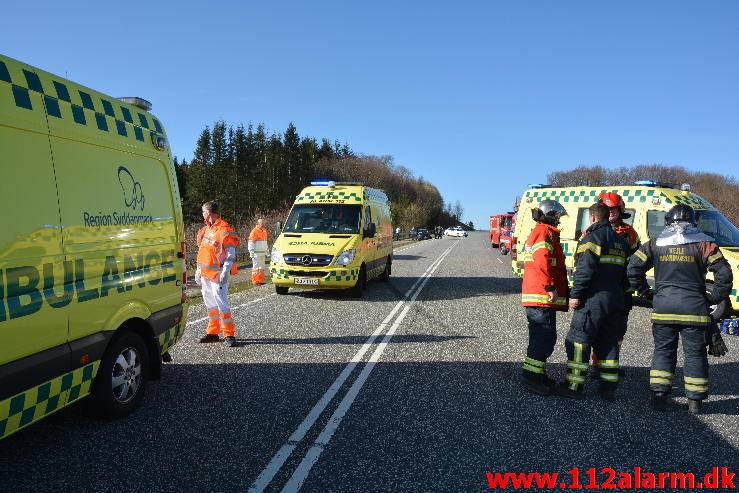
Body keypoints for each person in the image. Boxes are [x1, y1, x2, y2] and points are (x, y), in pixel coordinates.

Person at [627, 204, 732, 414]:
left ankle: (659, 397)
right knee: (695, 355)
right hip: (695, 311)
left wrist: (646, 294)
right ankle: (695, 403)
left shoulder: (655, 244)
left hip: (663, 309)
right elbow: (724, 274)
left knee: (663, 352)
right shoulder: (705, 244)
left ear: (668, 221)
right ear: (693, 222)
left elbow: (632, 268)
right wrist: (713, 297)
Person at [557, 202, 628, 401]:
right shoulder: (620, 242)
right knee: (608, 344)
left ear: (593, 218)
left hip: (592, 301)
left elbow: (584, 271)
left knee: (579, 340)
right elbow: (625, 276)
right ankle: (608, 388)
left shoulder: (591, 239)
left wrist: (575, 295)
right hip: (614, 300)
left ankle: (573, 386)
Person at [520, 200, 569, 395]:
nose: (559, 220)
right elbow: (542, 262)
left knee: (543, 337)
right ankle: (531, 378)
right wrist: (550, 286)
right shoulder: (544, 232)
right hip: (541, 295)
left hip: (539, 295)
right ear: (550, 215)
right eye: (557, 216)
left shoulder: (541, 231)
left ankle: (537, 375)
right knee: (544, 338)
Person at [590, 192, 641, 376]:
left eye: (614, 209)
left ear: (620, 210)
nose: (611, 212)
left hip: (622, 290)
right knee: (598, 327)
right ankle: (596, 364)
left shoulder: (630, 233)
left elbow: (638, 261)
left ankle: (610, 364)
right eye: (607, 209)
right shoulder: (592, 231)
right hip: (600, 290)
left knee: (619, 329)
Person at [195, 201, 240, 347]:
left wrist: (226, 270)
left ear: (209, 213)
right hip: (206, 274)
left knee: (222, 305)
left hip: (217, 274)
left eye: (203, 212)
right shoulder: (206, 230)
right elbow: (203, 251)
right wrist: (198, 269)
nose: (202, 214)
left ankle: (229, 335)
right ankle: (213, 333)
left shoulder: (224, 230)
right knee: (210, 305)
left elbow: (231, 253)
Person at [248, 218, 269, 285]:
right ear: (257, 224)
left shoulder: (264, 230)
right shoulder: (254, 231)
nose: (263, 224)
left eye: (263, 223)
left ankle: (260, 281)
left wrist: (267, 252)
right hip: (256, 253)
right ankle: (255, 281)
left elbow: (265, 242)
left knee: (261, 268)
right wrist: (251, 252)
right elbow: (251, 242)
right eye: (261, 223)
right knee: (256, 268)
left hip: (262, 253)